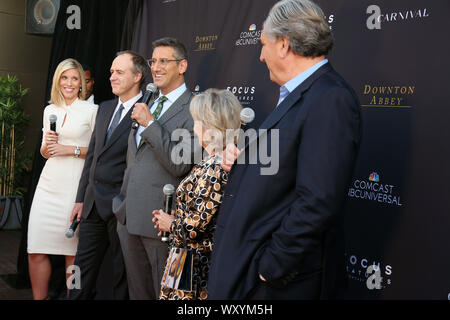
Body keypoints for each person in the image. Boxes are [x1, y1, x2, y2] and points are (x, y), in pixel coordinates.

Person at [207, 0, 362, 300]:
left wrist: (271, 268)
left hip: (281, 285)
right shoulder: (297, 95)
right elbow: (288, 168)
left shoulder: (331, 99)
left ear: (283, 45)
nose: (260, 55)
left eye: (263, 44)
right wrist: (244, 161)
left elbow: (318, 200)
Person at [112, 37, 201, 300]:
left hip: (162, 225)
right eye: (153, 61)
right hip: (129, 218)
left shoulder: (194, 108)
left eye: (165, 61)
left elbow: (179, 162)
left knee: (167, 296)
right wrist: (122, 205)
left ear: (182, 65)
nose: (157, 67)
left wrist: (151, 125)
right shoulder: (148, 101)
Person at [68, 51, 147, 300]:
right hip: (92, 205)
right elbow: (92, 158)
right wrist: (81, 198)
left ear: (137, 76)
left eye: (119, 72)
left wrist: (123, 202)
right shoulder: (104, 108)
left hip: (121, 208)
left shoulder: (147, 112)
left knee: (119, 277)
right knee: (80, 271)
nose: (112, 77)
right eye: (112, 72)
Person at [152, 89, 242, 300]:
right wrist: (178, 215)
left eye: (196, 121)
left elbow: (195, 228)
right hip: (186, 259)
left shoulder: (216, 167)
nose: (193, 127)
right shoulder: (214, 162)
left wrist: (171, 223)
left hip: (193, 265)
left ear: (209, 125)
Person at [27, 58, 98, 300]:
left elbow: (101, 150)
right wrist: (49, 147)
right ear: (58, 80)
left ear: (82, 83)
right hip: (48, 184)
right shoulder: (50, 110)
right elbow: (45, 152)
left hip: (74, 186)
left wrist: (72, 149)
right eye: (64, 77)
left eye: (74, 78)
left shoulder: (92, 110)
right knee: (35, 249)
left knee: (72, 254)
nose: (69, 83)